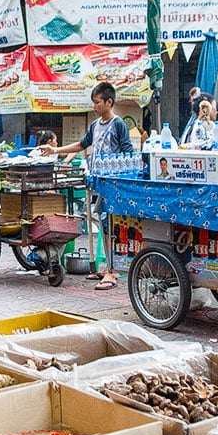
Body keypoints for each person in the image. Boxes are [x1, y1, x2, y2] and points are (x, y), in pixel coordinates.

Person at [37, 81, 134, 290]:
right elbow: (82, 144)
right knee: (104, 225)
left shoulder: (118, 125)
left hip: (114, 185)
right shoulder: (95, 125)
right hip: (99, 183)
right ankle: (108, 266)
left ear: (109, 102)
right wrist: (55, 150)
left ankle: (112, 271)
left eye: (97, 102)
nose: (94, 106)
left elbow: (128, 153)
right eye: (93, 102)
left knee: (111, 226)